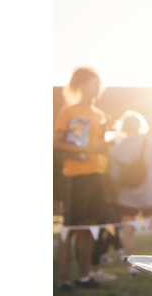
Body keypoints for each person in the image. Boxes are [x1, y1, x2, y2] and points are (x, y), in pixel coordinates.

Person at [53, 67, 115, 291]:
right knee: (69, 229)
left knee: (89, 227)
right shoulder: (68, 112)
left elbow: (100, 148)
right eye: (94, 82)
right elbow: (55, 143)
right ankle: (62, 280)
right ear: (82, 84)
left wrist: (104, 149)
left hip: (96, 177)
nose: (98, 87)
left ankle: (84, 276)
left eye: (99, 82)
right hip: (76, 177)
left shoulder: (100, 114)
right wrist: (90, 149)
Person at [109, 110, 152, 276]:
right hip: (149, 195)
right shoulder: (150, 143)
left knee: (128, 230)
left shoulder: (116, 148)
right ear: (140, 125)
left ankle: (132, 267)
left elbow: (114, 176)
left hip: (127, 196)